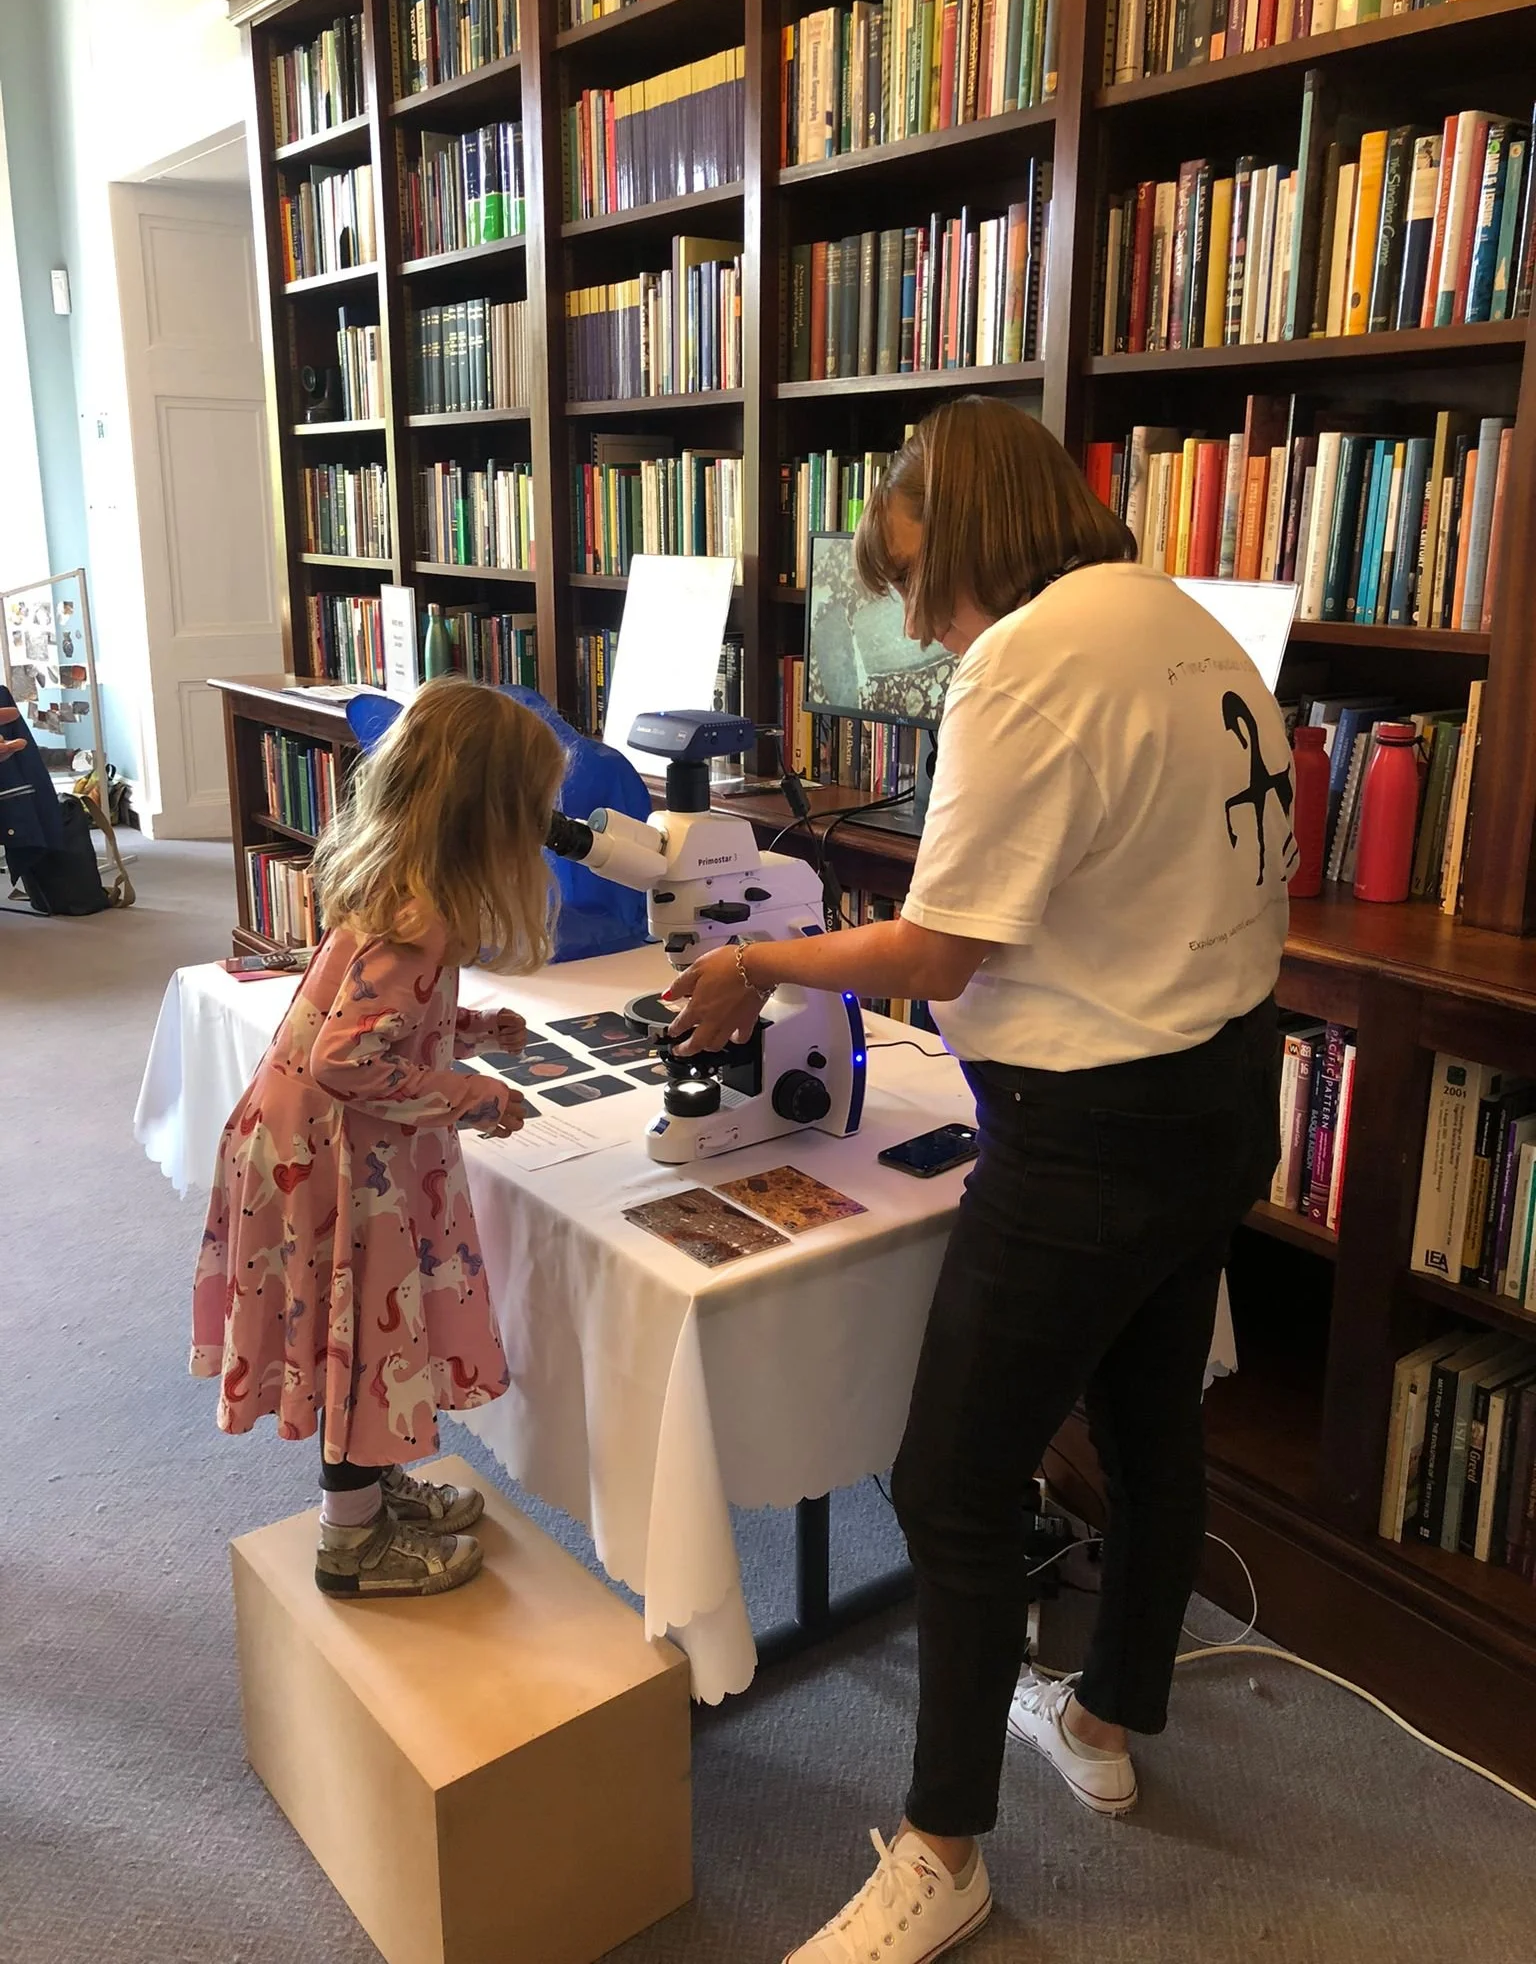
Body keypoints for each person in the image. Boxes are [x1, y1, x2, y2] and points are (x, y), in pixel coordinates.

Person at [666, 398, 1291, 1963]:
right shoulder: (1189, 620)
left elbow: (945, 947)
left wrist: (752, 959)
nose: (933, 633)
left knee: (947, 1481)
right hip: (1225, 1097)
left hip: (1089, 1137)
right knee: (1150, 1423)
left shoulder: (1029, 656)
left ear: (968, 539)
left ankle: (943, 1852)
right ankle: (1109, 1719)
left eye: (926, 591)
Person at [190, 678, 566, 1597]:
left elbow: (374, 1018)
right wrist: (473, 1092)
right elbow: (347, 1061)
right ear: (490, 819)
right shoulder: (421, 919)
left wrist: (469, 1027)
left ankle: (372, 1484)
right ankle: (350, 1541)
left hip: (309, 1149)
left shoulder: (399, 888)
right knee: (360, 1343)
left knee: (358, 1340)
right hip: (336, 1165)